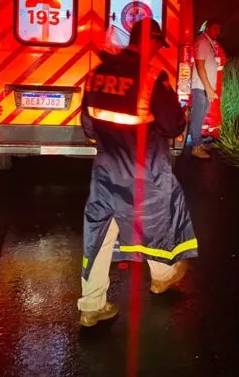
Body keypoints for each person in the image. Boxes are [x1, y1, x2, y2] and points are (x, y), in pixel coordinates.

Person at [77, 17, 199, 327]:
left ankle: (91, 305)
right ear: (152, 41)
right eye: (159, 45)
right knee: (158, 218)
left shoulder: (96, 74)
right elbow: (173, 126)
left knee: (100, 233)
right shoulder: (152, 77)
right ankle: (163, 275)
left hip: (106, 169)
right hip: (145, 167)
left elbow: (88, 126)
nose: (159, 51)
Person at [189, 18, 222, 159]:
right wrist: (208, 88)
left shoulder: (207, 43)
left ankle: (198, 143)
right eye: (215, 29)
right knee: (197, 117)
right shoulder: (202, 42)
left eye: (219, 30)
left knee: (201, 116)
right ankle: (196, 148)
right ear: (207, 28)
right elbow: (200, 66)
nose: (218, 32)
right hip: (201, 87)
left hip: (205, 88)